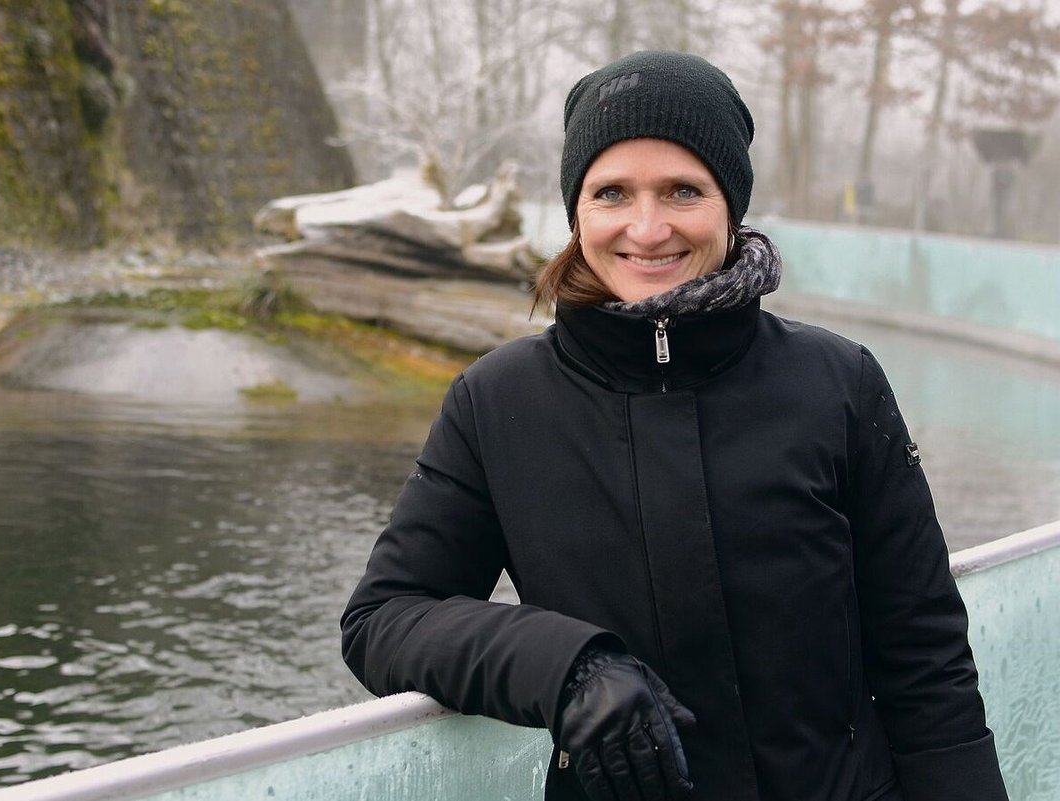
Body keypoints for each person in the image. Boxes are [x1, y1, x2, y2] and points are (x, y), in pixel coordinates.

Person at [340, 50, 1008, 801]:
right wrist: (568, 664)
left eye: (682, 190)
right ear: (576, 212)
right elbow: (383, 617)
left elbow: (925, 652)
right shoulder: (497, 401)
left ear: (730, 205)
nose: (647, 227)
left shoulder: (838, 382)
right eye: (612, 192)